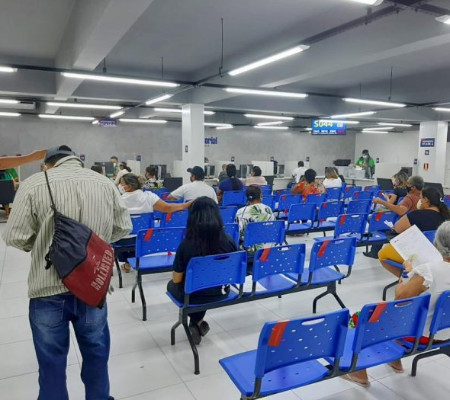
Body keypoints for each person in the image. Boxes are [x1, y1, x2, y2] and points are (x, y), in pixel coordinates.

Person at [2, 145, 132, 400]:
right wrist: (94, 244)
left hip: (47, 288)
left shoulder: (34, 183)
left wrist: (42, 245)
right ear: (76, 160)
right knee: (96, 354)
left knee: (51, 362)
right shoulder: (105, 183)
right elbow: (123, 228)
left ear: (47, 164)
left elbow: (15, 236)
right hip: (93, 286)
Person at [345, 221, 450, 388]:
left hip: (422, 336)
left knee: (360, 317)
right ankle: (395, 359)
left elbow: (400, 299)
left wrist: (407, 273)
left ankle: (358, 371)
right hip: (446, 332)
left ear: (438, 243)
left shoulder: (429, 270)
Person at [167, 197, 237, 345]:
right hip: (222, 291)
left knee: (174, 285)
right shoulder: (229, 240)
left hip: (194, 296)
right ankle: (197, 323)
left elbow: (177, 279)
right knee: (203, 286)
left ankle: (196, 322)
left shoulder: (186, 245)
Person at [118, 173, 191, 272]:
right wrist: (186, 205)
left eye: (121, 183)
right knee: (138, 236)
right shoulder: (149, 196)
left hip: (123, 241)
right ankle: (130, 261)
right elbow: (168, 208)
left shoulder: (118, 200)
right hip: (146, 238)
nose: (119, 186)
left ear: (129, 186)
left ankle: (126, 261)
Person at [378, 187, 450, 277]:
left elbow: (397, 228)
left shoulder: (415, 215)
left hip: (419, 255)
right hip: (442, 256)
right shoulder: (447, 216)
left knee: (382, 254)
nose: (419, 201)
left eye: (421, 198)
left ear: (426, 200)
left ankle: (407, 280)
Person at [363, 171, 412, 259]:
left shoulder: (397, 190)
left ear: (398, 180)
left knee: (373, 221)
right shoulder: (409, 191)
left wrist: (386, 198)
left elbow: (389, 204)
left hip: (392, 215)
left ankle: (374, 251)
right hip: (401, 217)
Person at [235, 185, 275, 254]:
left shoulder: (241, 211)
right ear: (260, 196)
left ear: (247, 197)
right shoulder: (268, 209)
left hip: (249, 249)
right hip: (268, 247)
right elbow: (273, 228)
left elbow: (239, 233)